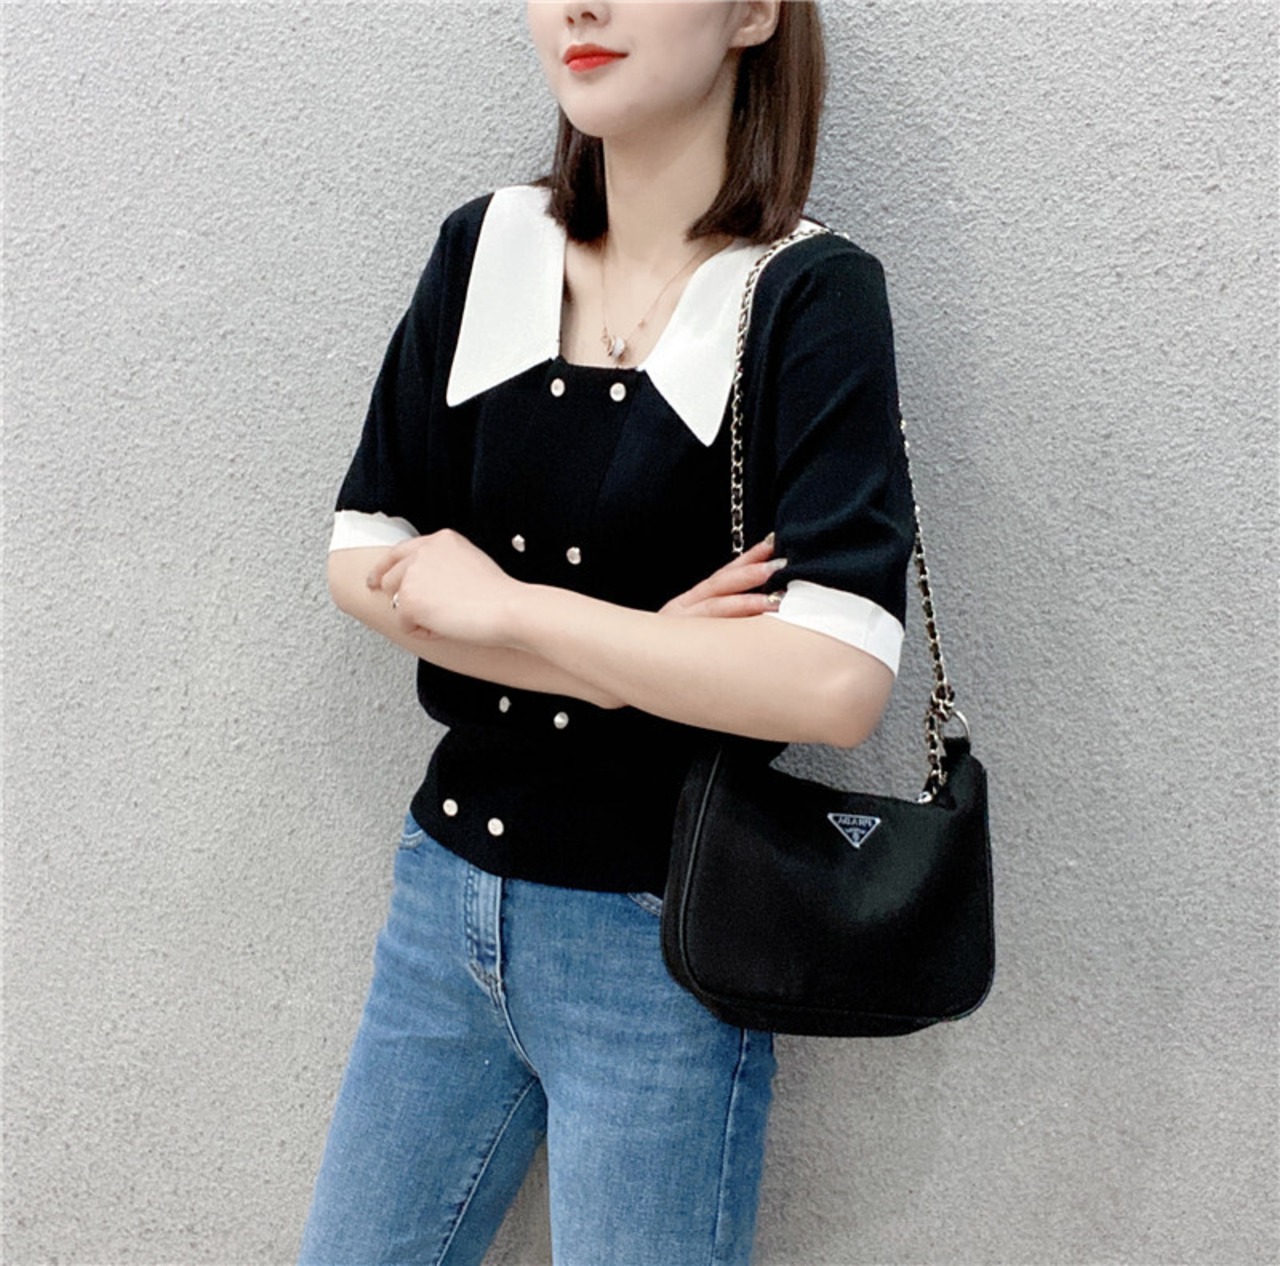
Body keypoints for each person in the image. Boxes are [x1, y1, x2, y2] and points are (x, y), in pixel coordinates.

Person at [298, 3, 915, 1263]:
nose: (578, 4)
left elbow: (833, 680)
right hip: (441, 901)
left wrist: (516, 609)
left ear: (753, 13)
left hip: (658, 940)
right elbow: (363, 557)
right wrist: (646, 660)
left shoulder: (807, 295)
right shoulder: (486, 245)